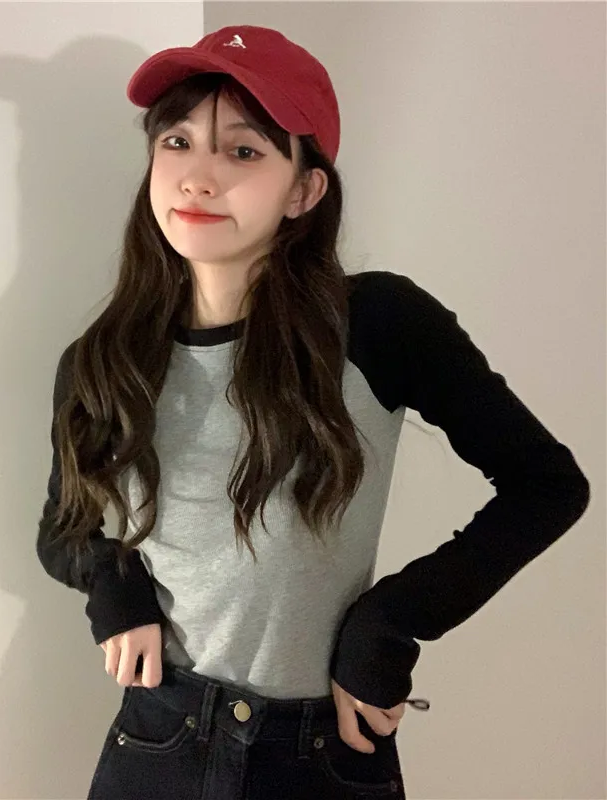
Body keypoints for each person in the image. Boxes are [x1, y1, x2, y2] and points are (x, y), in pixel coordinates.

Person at [35, 25, 591, 800]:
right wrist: (113, 584)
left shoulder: (376, 324)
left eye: (243, 151)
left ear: (303, 191)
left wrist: (389, 622)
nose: (197, 178)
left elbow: (547, 485)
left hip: (320, 752)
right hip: (160, 738)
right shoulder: (104, 358)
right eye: (177, 142)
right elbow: (62, 529)